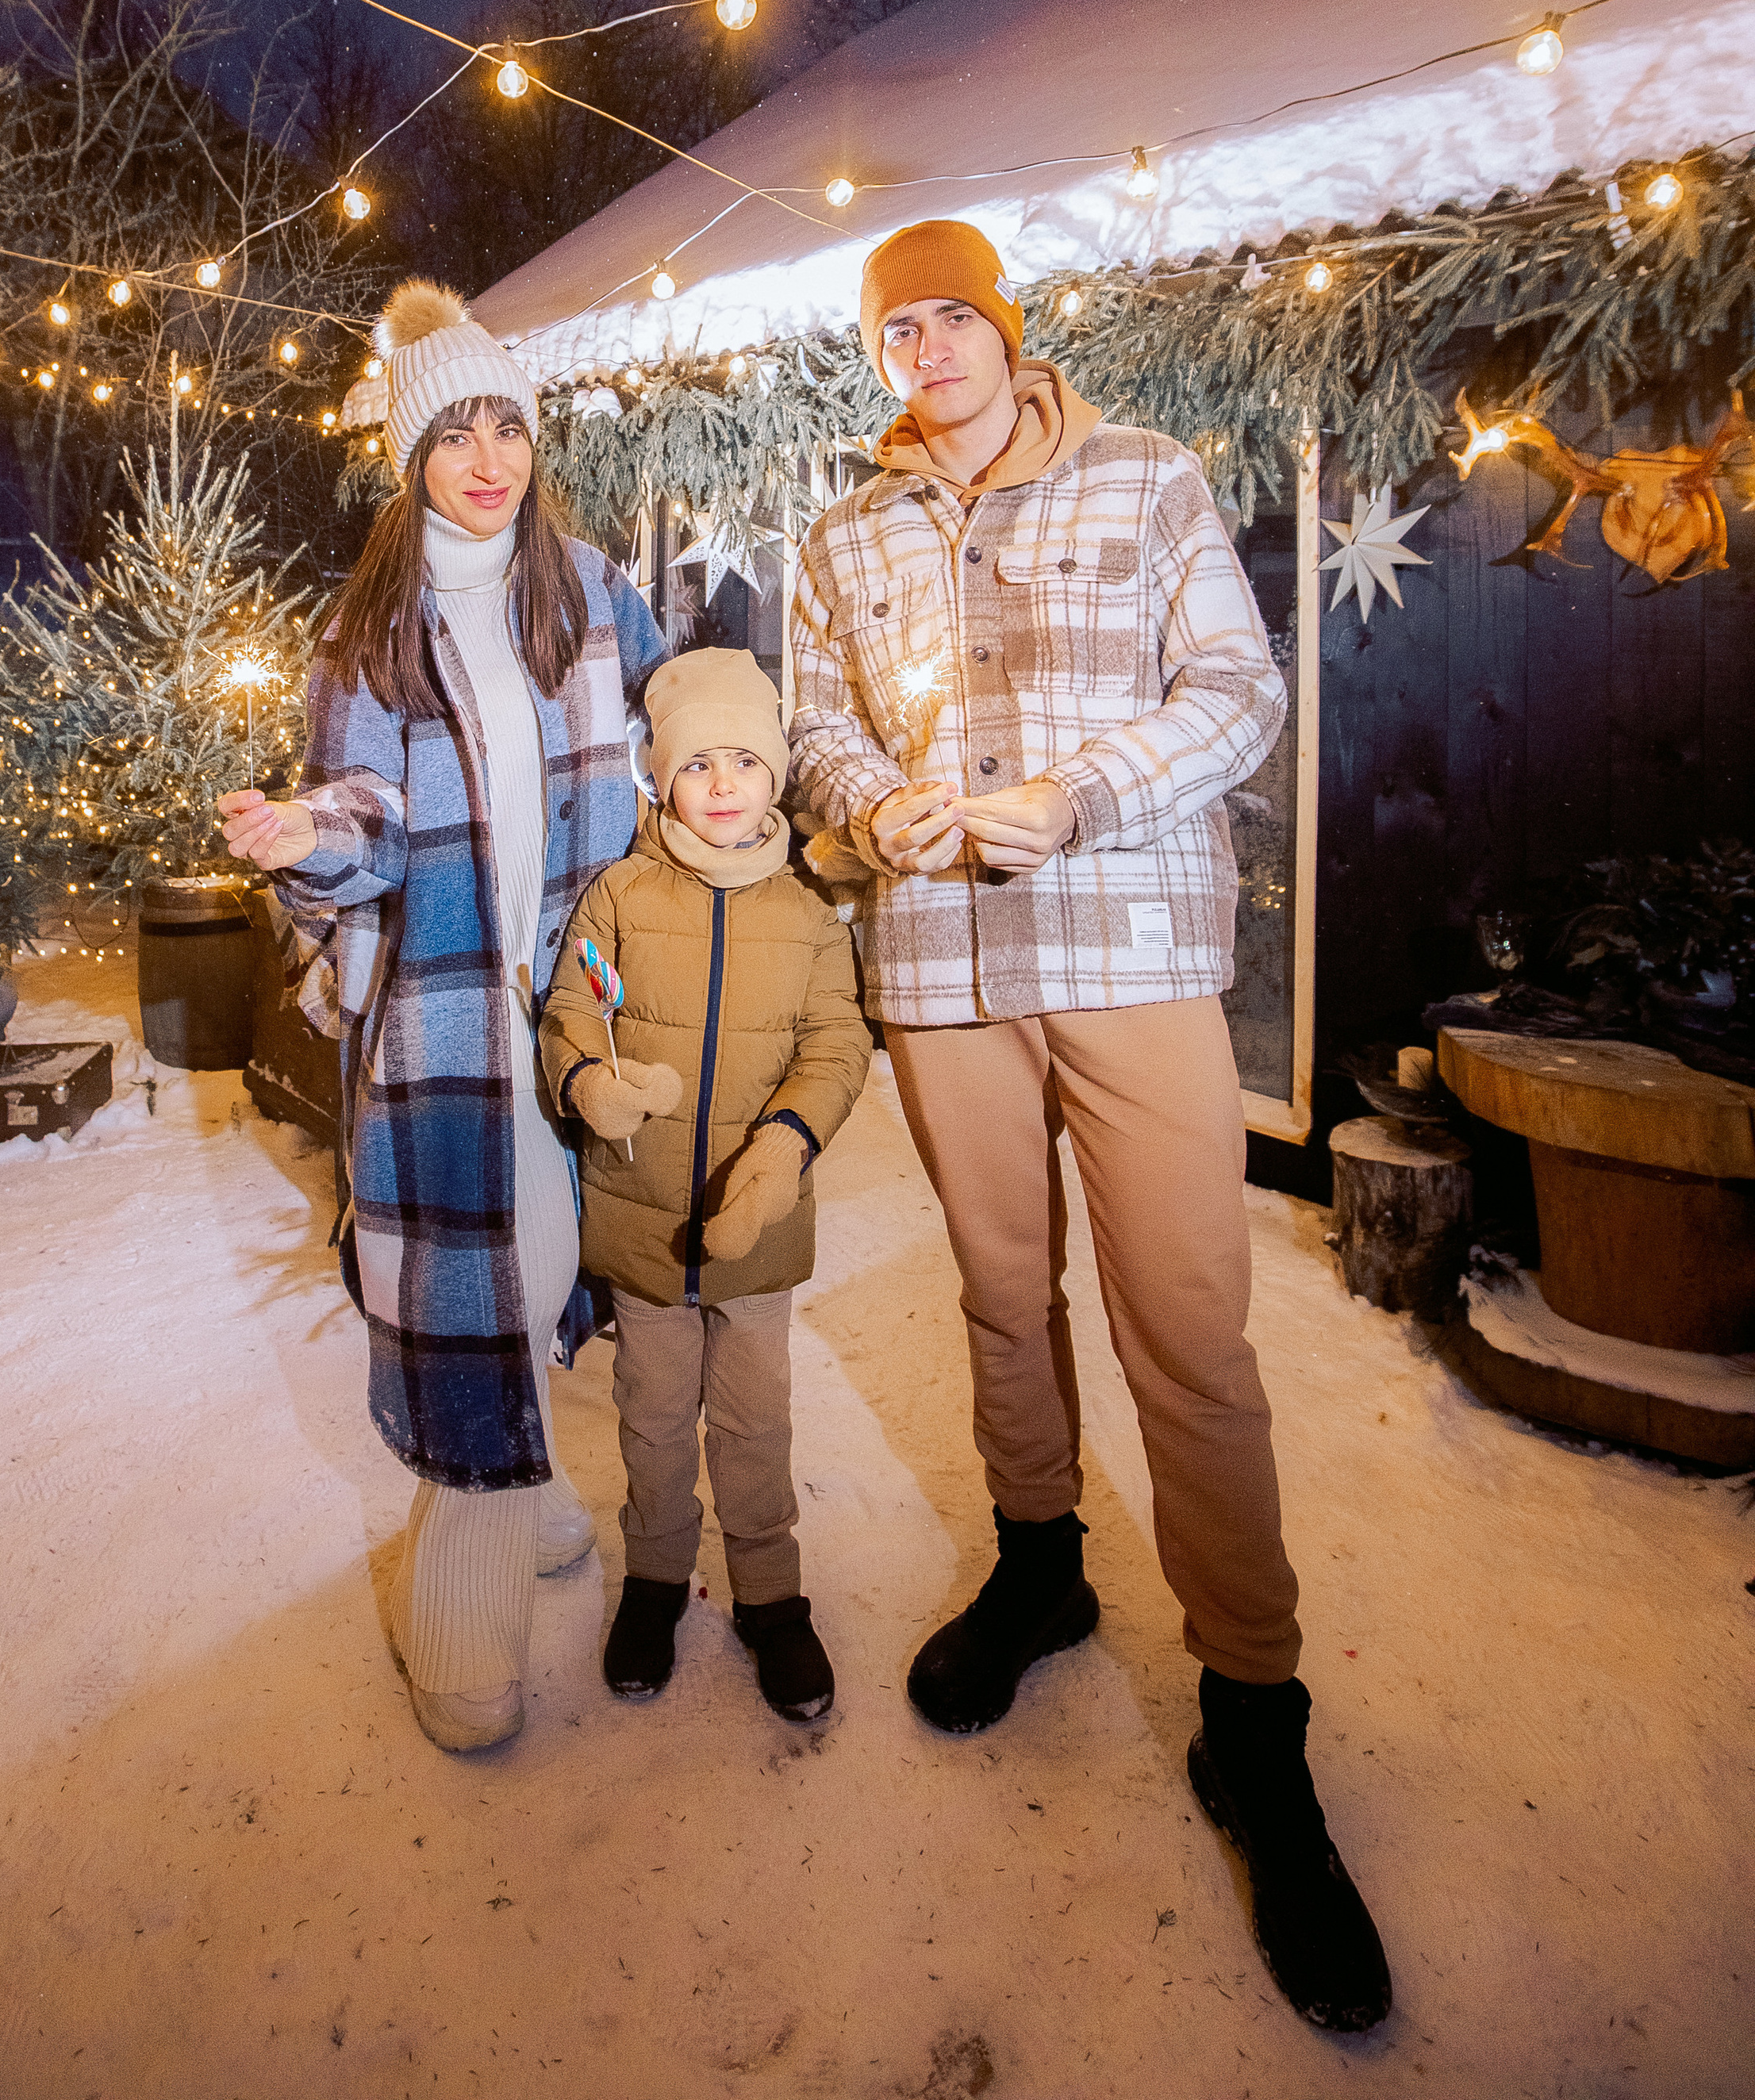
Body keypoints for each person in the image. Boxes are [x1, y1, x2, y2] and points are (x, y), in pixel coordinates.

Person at [785, 218, 1392, 2035]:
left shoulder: (1144, 478)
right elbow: (815, 728)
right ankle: (1040, 1567)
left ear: (1005, 327)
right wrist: (871, 801)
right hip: (939, 967)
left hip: (1124, 946)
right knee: (995, 1294)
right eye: (899, 331)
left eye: (954, 316)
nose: (930, 353)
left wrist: (1078, 791)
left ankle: (1252, 1717)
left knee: (1187, 1331)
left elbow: (1236, 696)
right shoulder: (840, 531)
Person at [219, 279, 666, 1756]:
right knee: (483, 1278)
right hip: (448, 1013)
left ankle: (530, 1488)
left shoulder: (591, 589)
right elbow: (368, 809)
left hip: (584, 997)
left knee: (553, 1261)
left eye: (508, 427)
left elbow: (680, 723)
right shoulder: (366, 631)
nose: (488, 458)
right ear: (409, 459)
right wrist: (304, 839)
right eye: (453, 432)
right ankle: (468, 1580)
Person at [538, 647, 870, 1723]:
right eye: (696, 766)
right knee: (652, 1416)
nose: (721, 784)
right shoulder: (621, 900)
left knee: (754, 1419)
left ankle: (771, 1594)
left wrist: (783, 1147)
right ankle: (654, 1579)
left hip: (758, 1232)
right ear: (659, 779)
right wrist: (591, 1082)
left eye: (743, 761)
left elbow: (837, 1045)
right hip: (642, 1227)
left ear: (775, 776)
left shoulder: (812, 917)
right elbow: (577, 1011)